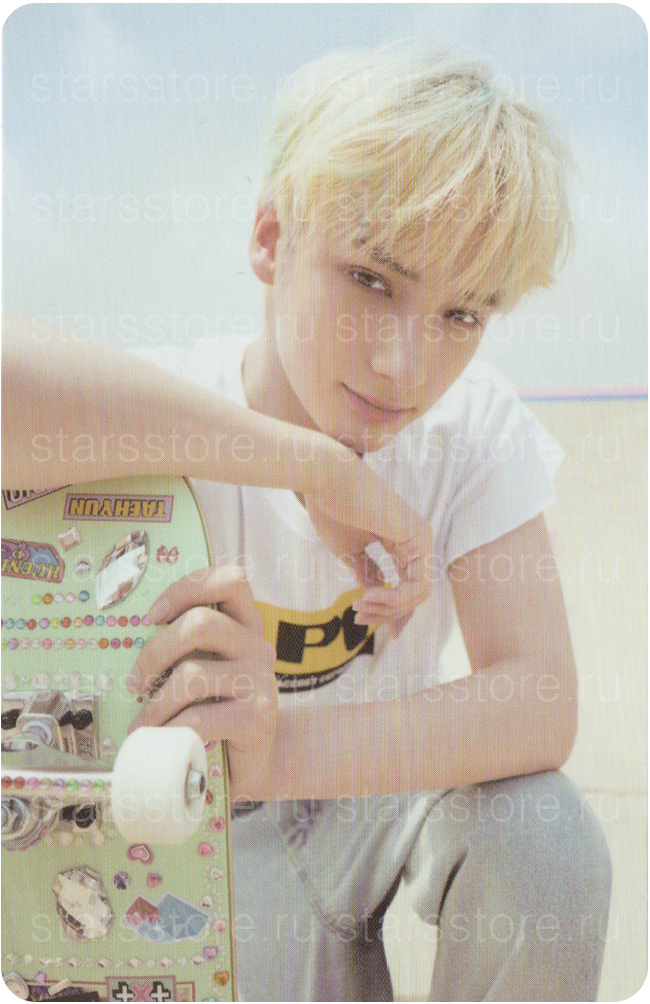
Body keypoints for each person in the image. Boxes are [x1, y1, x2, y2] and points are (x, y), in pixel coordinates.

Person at [2, 42, 612, 1002]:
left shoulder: (471, 428)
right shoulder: (172, 405)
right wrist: (312, 464)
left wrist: (276, 752)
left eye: (461, 315)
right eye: (372, 279)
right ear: (270, 239)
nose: (405, 366)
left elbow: (538, 696)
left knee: (548, 837)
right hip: (185, 834)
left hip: (364, 810)